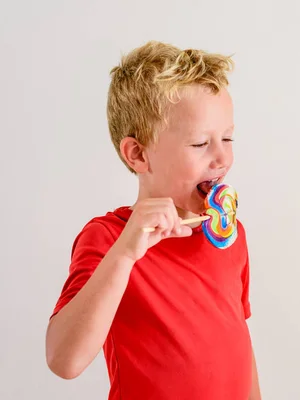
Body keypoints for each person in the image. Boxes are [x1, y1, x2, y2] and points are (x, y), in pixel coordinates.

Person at [45, 40, 261, 400]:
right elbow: (64, 360)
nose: (222, 157)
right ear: (139, 154)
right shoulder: (110, 239)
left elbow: (239, 346)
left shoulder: (231, 235)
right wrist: (125, 254)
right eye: (199, 144)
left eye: (227, 137)